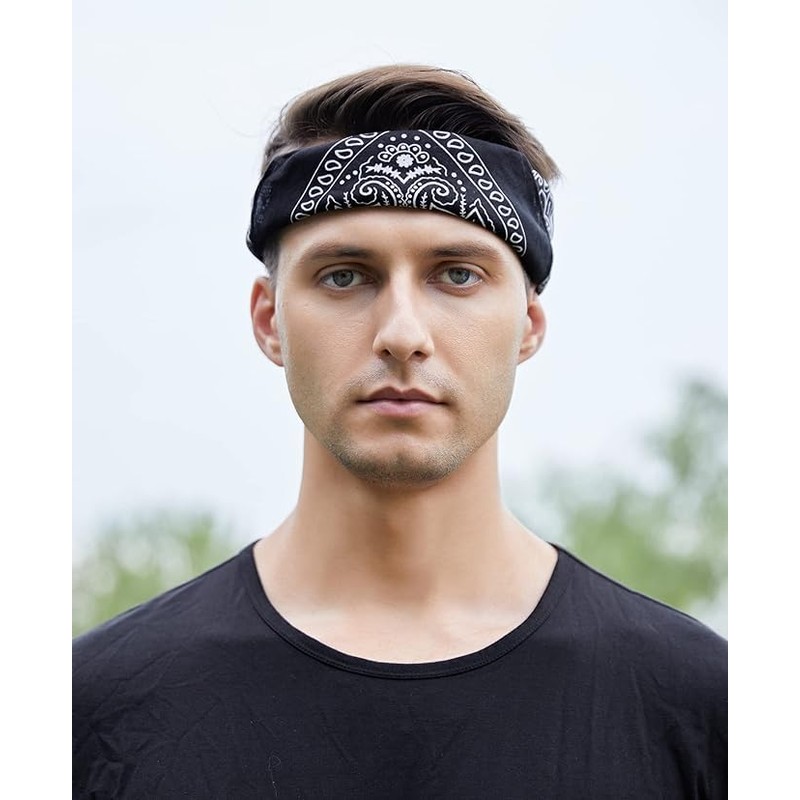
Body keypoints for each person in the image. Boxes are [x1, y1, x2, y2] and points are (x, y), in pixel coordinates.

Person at [73, 64, 727, 798]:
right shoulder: (89, 716)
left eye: (458, 274)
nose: (403, 334)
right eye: (344, 276)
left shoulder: (706, 710)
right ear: (269, 320)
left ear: (528, 324)